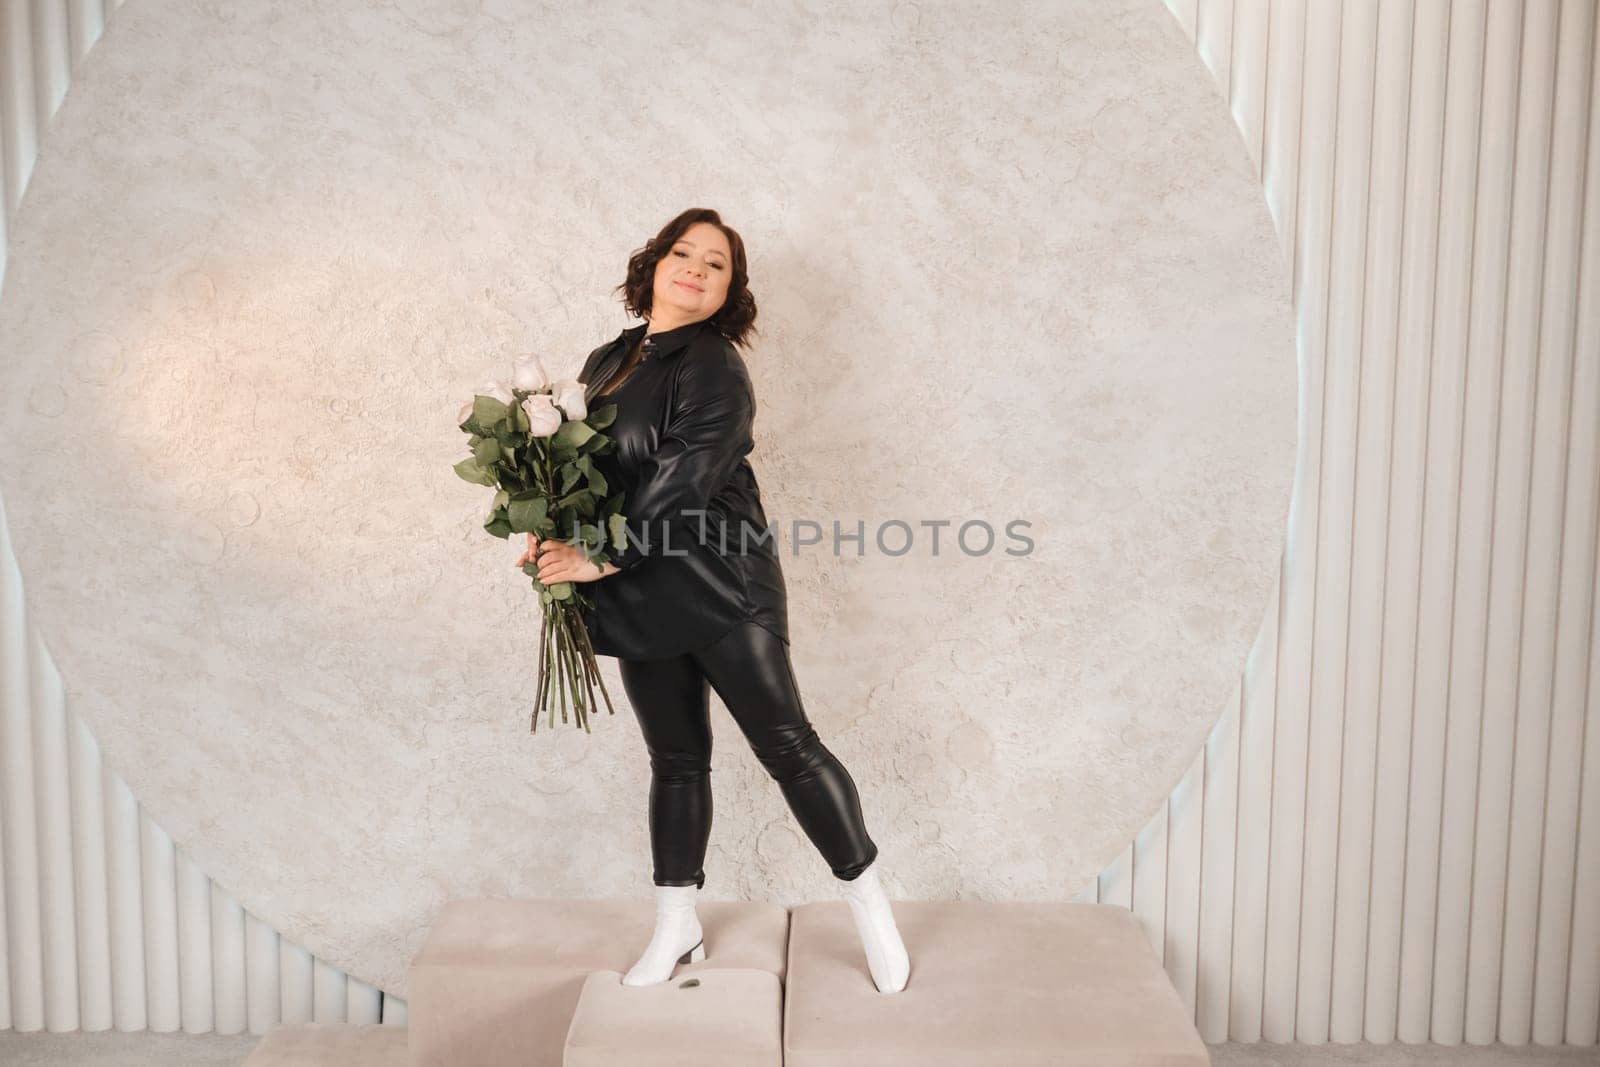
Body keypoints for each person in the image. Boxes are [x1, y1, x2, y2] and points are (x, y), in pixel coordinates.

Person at [515, 208, 910, 994]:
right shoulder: (610, 358)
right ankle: (676, 924)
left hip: (721, 583)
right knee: (676, 759)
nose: (696, 268)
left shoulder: (715, 364)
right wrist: (547, 530)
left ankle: (871, 908)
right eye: (683, 253)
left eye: (716, 264)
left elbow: (688, 475)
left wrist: (604, 553)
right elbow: (588, 471)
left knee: (788, 747)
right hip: (635, 589)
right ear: (654, 263)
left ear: (730, 290)